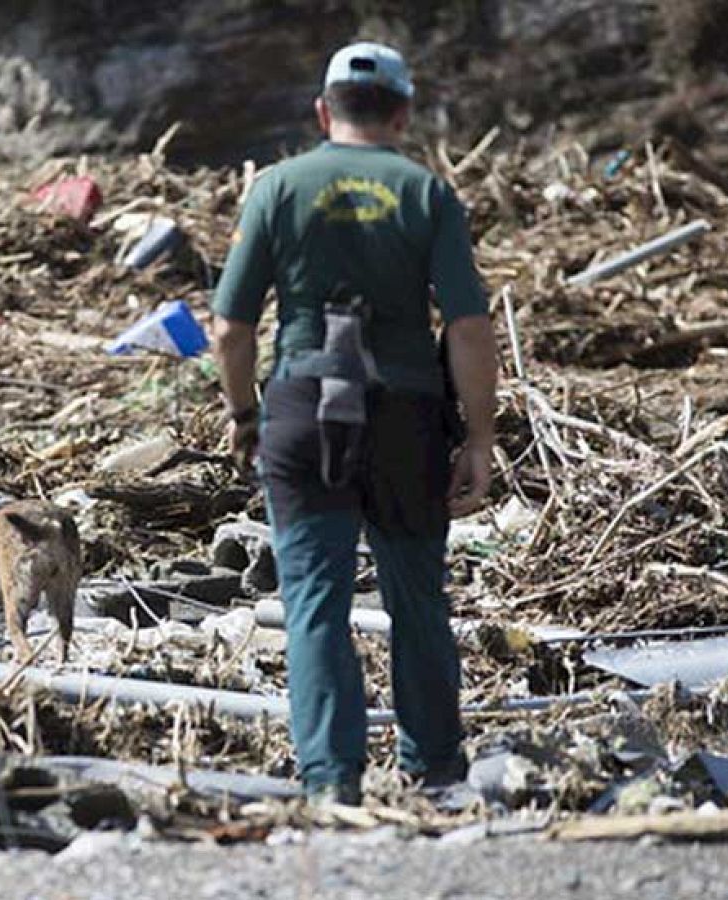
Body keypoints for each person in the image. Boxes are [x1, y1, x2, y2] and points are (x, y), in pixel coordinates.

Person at [209, 41, 498, 807]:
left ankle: (332, 782)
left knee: (313, 599)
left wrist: (243, 415)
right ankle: (436, 769)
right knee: (417, 597)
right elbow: (469, 327)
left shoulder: (277, 186)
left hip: (306, 406)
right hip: (406, 414)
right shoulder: (426, 192)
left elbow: (229, 328)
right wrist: (478, 437)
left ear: (321, 110)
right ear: (403, 113)